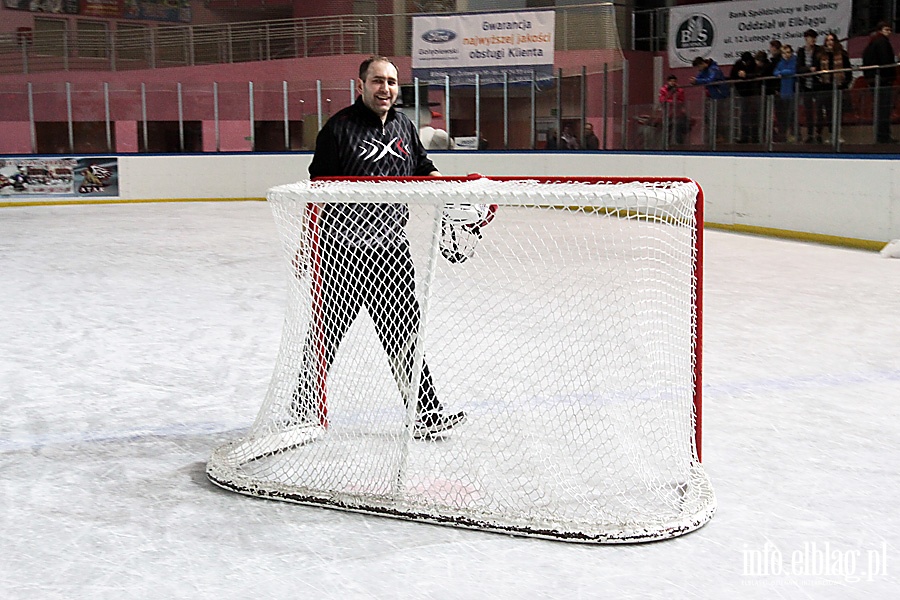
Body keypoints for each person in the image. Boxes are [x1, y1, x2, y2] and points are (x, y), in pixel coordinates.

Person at [295, 55, 467, 439]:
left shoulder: (405, 126)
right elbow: (315, 190)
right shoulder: (338, 129)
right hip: (344, 252)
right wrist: (310, 245)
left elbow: (422, 166)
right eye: (377, 81)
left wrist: (451, 189)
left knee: (406, 335)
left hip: (392, 251)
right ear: (361, 85)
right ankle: (303, 410)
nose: (385, 88)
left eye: (391, 81)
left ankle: (426, 414)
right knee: (324, 338)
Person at [863, 21, 897, 143]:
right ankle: (883, 136)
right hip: (883, 81)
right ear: (880, 30)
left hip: (875, 80)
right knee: (884, 109)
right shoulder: (882, 42)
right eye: (886, 30)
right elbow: (886, 61)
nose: (889, 32)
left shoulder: (872, 42)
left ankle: (881, 135)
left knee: (880, 108)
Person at [816, 32, 851, 143]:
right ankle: (831, 134)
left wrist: (844, 84)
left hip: (838, 87)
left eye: (832, 40)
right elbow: (817, 71)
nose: (830, 42)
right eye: (828, 40)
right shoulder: (821, 55)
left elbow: (848, 71)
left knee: (838, 112)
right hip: (825, 87)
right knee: (829, 112)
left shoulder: (842, 54)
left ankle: (838, 134)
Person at [691, 56, 730, 144]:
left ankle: (721, 136)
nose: (698, 69)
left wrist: (697, 81)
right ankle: (715, 136)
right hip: (712, 96)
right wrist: (695, 81)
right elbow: (699, 78)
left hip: (720, 95)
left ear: (702, 64)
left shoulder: (714, 69)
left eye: (698, 67)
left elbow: (710, 79)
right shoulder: (704, 70)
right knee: (710, 117)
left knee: (719, 117)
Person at [796, 29, 822, 142]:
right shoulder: (801, 51)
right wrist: (808, 70)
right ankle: (810, 133)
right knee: (808, 110)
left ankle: (819, 132)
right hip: (806, 85)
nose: (813, 40)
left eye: (815, 38)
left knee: (820, 109)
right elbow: (798, 67)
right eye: (812, 38)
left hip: (817, 84)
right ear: (806, 38)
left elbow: (820, 65)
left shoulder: (819, 50)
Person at [730, 51, 761, 142]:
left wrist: (746, 75)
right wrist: (739, 75)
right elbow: (732, 75)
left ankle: (755, 137)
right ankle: (744, 137)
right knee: (744, 116)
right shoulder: (738, 64)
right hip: (743, 93)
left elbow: (757, 75)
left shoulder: (754, 64)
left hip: (753, 93)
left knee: (755, 115)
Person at [773, 44, 798, 142]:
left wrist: (781, 72)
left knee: (792, 114)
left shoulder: (794, 61)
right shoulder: (781, 62)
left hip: (793, 91)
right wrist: (779, 73)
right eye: (784, 53)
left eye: (788, 52)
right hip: (784, 92)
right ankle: (785, 135)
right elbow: (775, 71)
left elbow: (792, 71)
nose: (786, 55)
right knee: (784, 114)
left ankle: (794, 134)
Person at [658, 74, 689, 145]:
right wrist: (672, 102)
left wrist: (675, 103)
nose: (672, 83)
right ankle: (666, 143)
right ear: (667, 82)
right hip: (668, 112)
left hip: (677, 112)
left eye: (674, 81)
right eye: (671, 81)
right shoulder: (663, 90)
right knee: (668, 128)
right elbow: (662, 100)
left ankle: (680, 143)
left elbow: (682, 100)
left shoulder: (680, 90)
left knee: (678, 128)